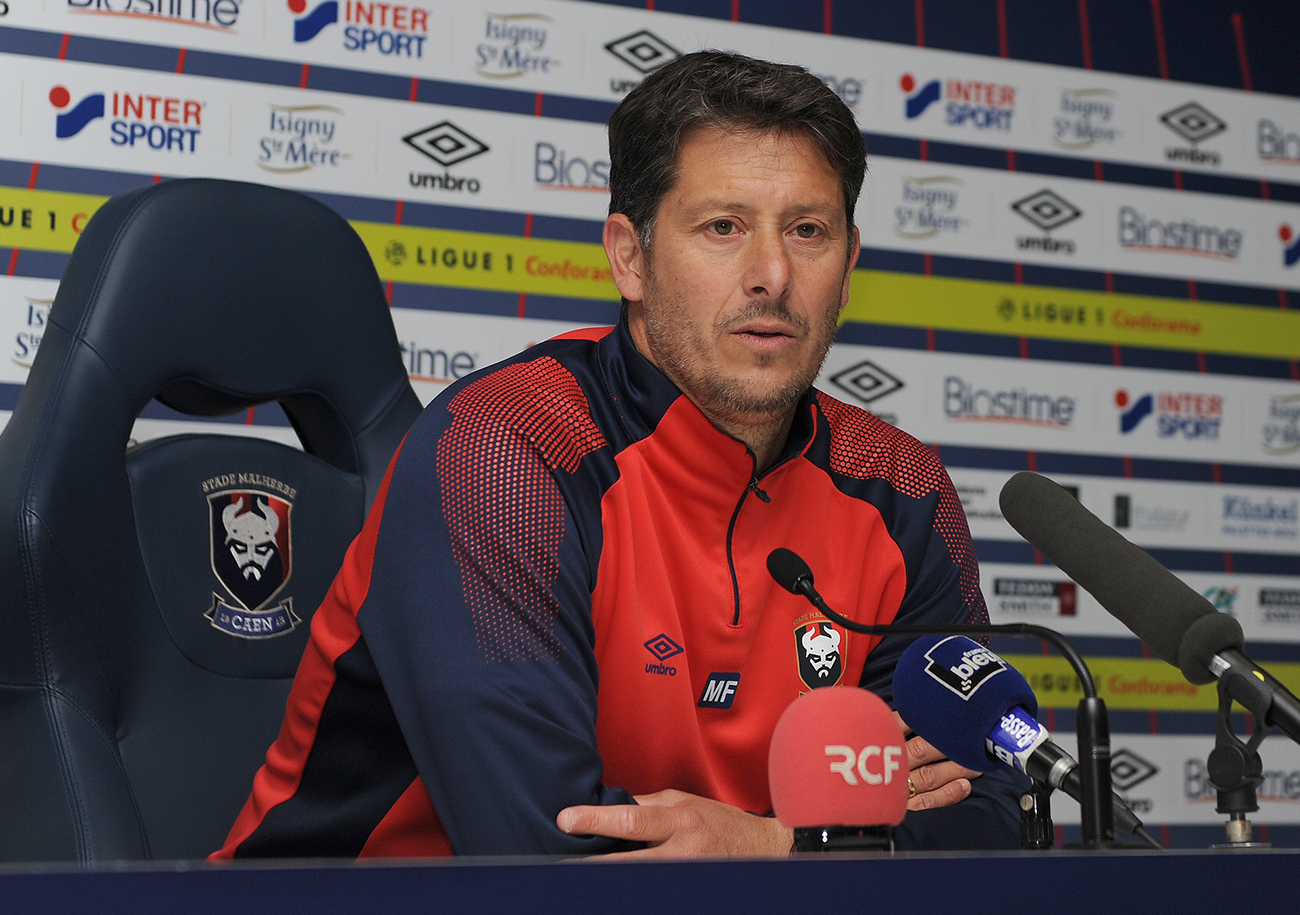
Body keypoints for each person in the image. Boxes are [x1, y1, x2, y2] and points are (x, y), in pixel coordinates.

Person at [213, 50, 1024, 860]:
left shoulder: (901, 489)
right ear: (629, 257)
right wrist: (849, 838)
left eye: (807, 231)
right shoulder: (504, 453)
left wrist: (770, 843)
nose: (771, 274)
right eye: (723, 227)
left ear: (847, 269)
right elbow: (545, 847)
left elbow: (992, 818)